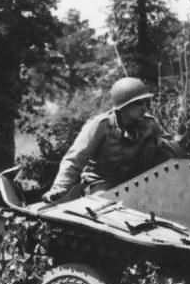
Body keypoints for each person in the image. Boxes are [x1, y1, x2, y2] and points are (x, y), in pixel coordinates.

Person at [45, 77, 178, 203]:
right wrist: (59, 188)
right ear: (124, 105)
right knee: (103, 209)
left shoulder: (149, 124)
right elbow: (75, 159)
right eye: (139, 103)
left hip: (136, 183)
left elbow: (169, 149)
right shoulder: (100, 125)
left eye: (146, 103)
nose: (144, 108)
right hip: (101, 184)